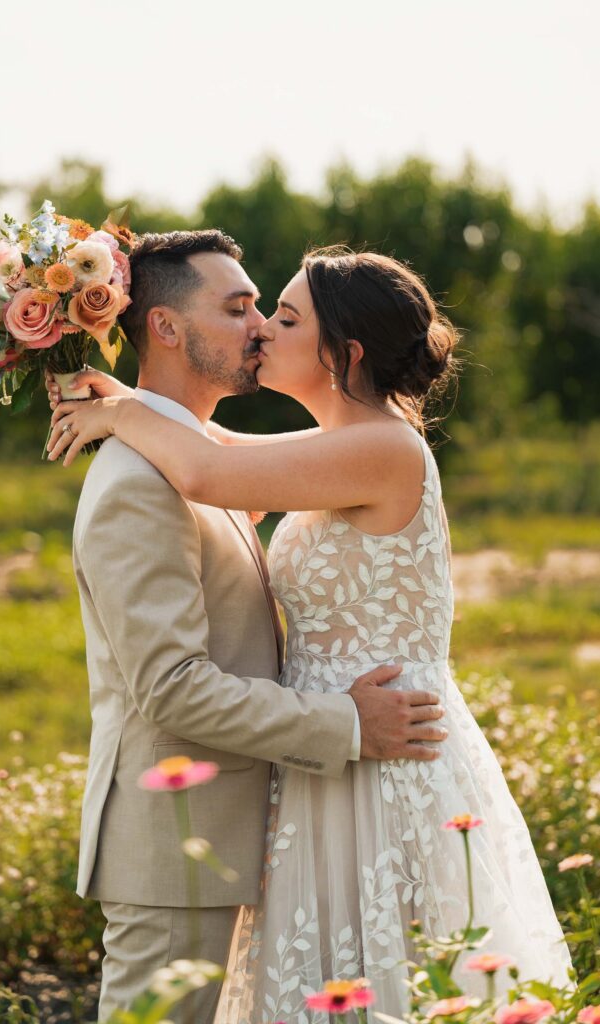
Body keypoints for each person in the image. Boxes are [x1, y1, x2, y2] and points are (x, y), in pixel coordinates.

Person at [48, 244, 571, 1023]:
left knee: (392, 978)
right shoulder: (333, 450)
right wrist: (133, 401)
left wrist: (124, 411)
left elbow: (206, 472)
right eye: (249, 311)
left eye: (282, 316)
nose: (261, 330)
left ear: (343, 351)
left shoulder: (383, 447)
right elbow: (213, 451)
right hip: (330, 753)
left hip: (382, 752)